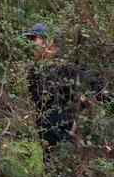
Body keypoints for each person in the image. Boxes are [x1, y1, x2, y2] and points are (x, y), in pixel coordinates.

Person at [26, 22, 103, 151]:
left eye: (34, 39)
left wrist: (79, 117)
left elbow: (96, 88)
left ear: (47, 41)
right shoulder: (36, 69)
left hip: (62, 141)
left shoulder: (65, 67)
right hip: (44, 139)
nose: (30, 43)